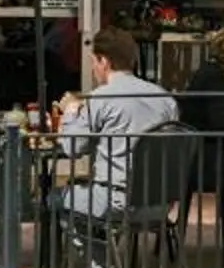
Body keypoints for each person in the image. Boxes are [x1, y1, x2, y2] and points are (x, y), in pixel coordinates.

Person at [52, 27, 177, 221]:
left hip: (113, 200)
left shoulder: (100, 98)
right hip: (159, 204)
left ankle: (93, 250)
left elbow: (72, 147)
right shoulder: (165, 99)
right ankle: (105, 246)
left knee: (53, 198)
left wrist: (70, 111)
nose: (93, 69)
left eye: (93, 61)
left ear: (103, 61)